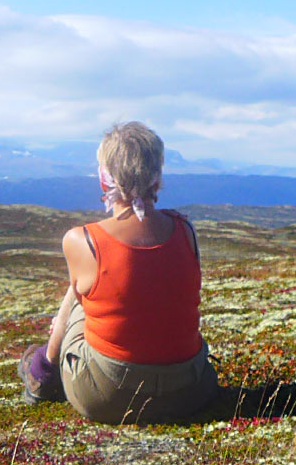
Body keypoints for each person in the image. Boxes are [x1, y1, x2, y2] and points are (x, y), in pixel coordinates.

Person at [18, 122, 218, 423]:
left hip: (109, 397)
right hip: (190, 390)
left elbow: (74, 307)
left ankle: (42, 375)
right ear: (157, 179)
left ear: (104, 179)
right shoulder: (185, 231)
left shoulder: (83, 240)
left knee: (79, 300)